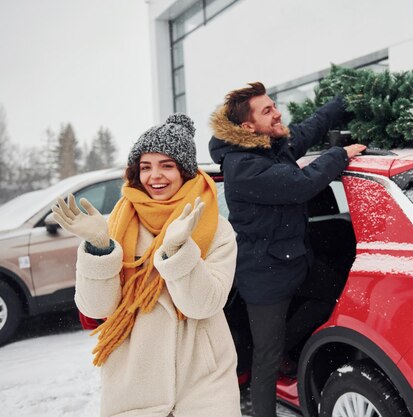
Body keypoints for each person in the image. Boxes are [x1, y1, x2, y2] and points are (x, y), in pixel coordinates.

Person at [52, 114, 242, 417]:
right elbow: (97, 308)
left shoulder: (217, 229)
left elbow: (203, 305)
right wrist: (99, 247)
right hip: (134, 385)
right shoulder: (117, 225)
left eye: (167, 165)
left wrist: (178, 250)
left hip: (204, 385)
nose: (155, 176)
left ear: (185, 170)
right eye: (145, 166)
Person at [209, 82, 366, 417]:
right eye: (267, 110)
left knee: (333, 295)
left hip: (297, 262)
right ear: (247, 126)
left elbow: (308, 129)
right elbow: (302, 185)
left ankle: (285, 346)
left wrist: (344, 101)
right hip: (264, 276)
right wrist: (340, 154)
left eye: (273, 105)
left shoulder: (269, 145)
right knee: (264, 359)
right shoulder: (243, 167)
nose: (277, 112)